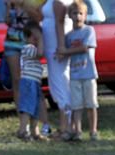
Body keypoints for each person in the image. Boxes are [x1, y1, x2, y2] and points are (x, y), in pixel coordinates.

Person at [58, 0, 98, 141]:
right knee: (77, 106)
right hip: (74, 75)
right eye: (75, 13)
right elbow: (63, 52)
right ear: (70, 15)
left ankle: (93, 131)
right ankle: (78, 131)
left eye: (81, 13)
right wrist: (60, 53)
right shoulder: (69, 36)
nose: (78, 16)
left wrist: (66, 51)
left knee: (91, 104)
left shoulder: (89, 31)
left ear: (85, 15)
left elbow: (85, 47)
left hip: (88, 74)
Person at [41, 0, 73, 137]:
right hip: (52, 47)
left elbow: (60, 22)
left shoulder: (59, 1)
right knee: (59, 84)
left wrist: (61, 46)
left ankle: (65, 127)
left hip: (56, 48)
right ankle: (65, 126)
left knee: (60, 85)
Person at [16, 22, 46, 141]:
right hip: (29, 82)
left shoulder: (31, 47)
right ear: (28, 37)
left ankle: (35, 131)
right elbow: (39, 54)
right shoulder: (27, 48)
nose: (38, 39)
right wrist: (41, 40)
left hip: (34, 81)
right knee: (27, 106)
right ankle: (22, 130)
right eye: (36, 37)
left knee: (34, 107)